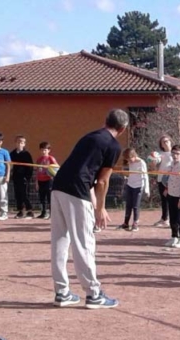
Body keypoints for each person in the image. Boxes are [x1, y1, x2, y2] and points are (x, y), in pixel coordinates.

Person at [50, 109, 128, 309]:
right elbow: (102, 181)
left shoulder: (89, 137)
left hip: (58, 186)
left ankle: (62, 292)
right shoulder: (113, 146)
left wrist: (95, 204)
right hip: (77, 191)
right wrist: (100, 208)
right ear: (123, 128)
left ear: (105, 121)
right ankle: (93, 294)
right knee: (83, 243)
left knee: (60, 240)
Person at [164, 144, 180, 248]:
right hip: (171, 194)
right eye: (173, 153)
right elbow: (168, 178)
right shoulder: (171, 165)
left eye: (177, 154)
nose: (175, 156)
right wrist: (166, 188)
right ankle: (174, 236)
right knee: (173, 217)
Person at [118, 147, 149, 232]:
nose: (129, 161)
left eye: (130, 158)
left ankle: (135, 223)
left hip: (138, 186)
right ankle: (126, 223)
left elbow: (145, 176)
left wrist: (147, 189)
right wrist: (125, 175)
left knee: (135, 205)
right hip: (130, 185)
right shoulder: (129, 163)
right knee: (128, 205)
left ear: (134, 155)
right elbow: (128, 173)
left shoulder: (141, 163)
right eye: (127, 159)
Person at [10, 135, 34, 219]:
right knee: (18, 194)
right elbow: (10, 165)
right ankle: (21, 211)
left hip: (24, 177)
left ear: (24, 144)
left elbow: (30, 167)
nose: (20, 144)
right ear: (15, 143)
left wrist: (27, 177)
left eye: (22, 142)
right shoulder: (12, 154)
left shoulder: (26, 154)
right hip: (16, 177)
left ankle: (30, 210)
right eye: (18, 142)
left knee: (25, 194)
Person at [35, 142, 59, 220]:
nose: (43, 152)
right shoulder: (39, 159)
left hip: (48, 180)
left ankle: (52, 213)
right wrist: (36, 182)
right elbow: (37, 171)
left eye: (45, 150)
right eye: (42, 150)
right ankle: (43, 212)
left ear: (49, 150)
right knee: (42, 197)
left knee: (49, 198)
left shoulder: (51, 158)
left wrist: (51, 172)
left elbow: (57, 168)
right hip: (40, 180)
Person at [153, 135, 173, 227]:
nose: (165, 143)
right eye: (163, 142)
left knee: (169, 199)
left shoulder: (174, 153)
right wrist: (153, 161)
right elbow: (155, 166)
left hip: (170, 180)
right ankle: (164, 217)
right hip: (161, 179)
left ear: (170, 141)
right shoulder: (160, 154)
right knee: (163, 200)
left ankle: (168, 219)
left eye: (166, 141)